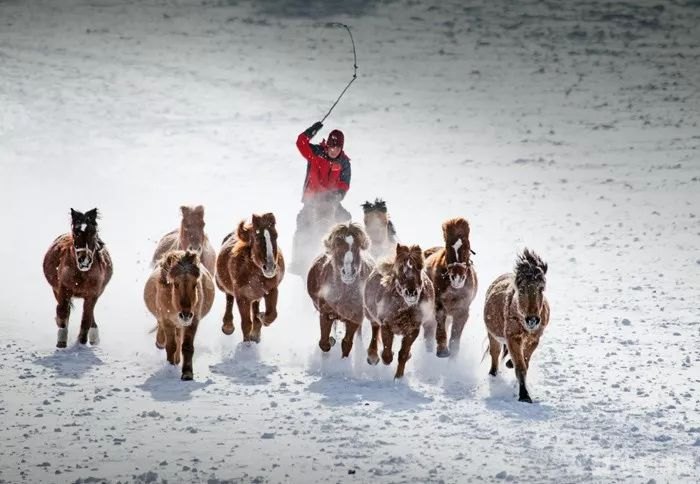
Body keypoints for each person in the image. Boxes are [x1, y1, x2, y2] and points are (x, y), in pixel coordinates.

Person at [290, 121, 352, 274]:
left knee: (347, 220)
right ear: (328, 145)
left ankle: (349, 258)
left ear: (341, 148)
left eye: (337, 148)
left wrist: (336, 196)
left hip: (332, 203)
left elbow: (345, 183)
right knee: (301, 223)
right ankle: (298, 261)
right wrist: (313, 130)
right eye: (331, 146)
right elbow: (301, 142)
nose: (333, 151)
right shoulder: (316, 153)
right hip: (312, 201)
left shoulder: (344, 162)